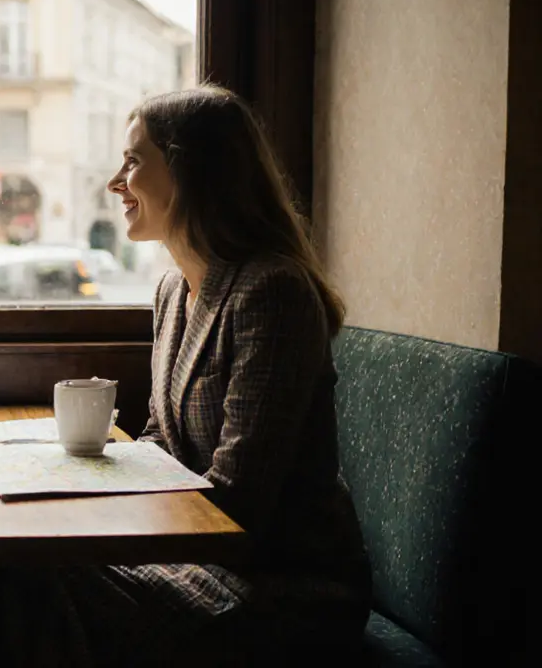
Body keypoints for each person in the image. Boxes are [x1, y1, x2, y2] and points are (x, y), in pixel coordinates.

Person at [31, 84, 371, 666]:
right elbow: (162, 441)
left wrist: (102, 522)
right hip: (199, 555)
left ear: (192, 172)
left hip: (283, 587)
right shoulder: (173, 289)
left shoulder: (272, 293)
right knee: (19, 566)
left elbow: (240, 503)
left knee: (29, 580)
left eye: (134, 161)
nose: (117, 182)